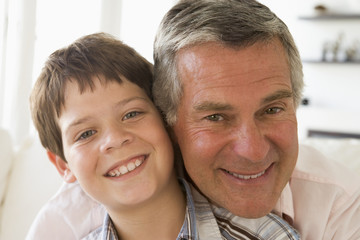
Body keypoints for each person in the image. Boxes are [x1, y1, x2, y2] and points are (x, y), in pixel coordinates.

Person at [27, 0, 360, 239]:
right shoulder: (68, 221)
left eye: (272, 110)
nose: (253, 150)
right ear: (170, 123)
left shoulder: (340, 206)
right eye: (215, 116)